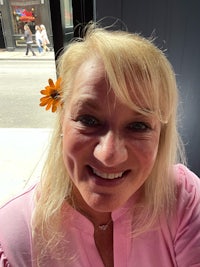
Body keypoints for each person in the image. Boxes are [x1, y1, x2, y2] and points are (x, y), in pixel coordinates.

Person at [0, 24, 200, 267]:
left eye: (138, 126)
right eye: (88, 120)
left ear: (161, 133)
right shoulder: (16, 233)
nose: (109, 155)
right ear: (62, 119)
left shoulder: (184, 201)